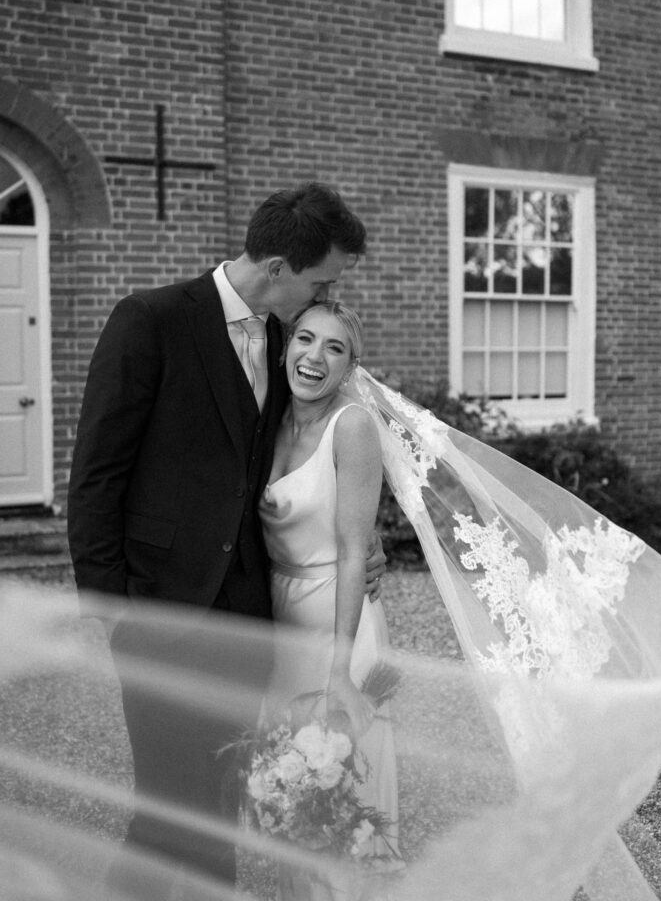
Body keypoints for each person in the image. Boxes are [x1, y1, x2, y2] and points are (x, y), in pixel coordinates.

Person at [66, 182, 386, 892]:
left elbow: (285, 464)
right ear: (279, 269)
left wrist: (353, 540)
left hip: (248, 617)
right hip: (159, 608)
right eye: (319, 279)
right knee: (165, 803)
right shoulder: (149, 320)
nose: (321, 295)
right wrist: (109, 607)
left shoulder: (285, 340)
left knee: (222, 796)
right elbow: (94, 476)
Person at [258, 300, 400, 901]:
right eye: (306, 340)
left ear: (350, 368)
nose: (314, 357)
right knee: (285, 792)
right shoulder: (264, 420)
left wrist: (340, 670)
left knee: (341, 796)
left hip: (339, 621)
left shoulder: (354, 428)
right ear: (286, 346)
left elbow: (351, 549)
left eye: (334, 348)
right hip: (278, 619)